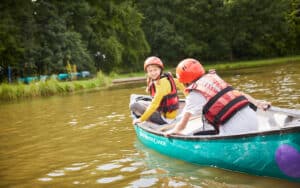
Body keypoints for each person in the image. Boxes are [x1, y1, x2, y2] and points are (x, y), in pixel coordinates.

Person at [164, 58, 270, 136]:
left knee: (197, 135)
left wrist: (173, 132)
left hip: (237, 131)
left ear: (184, 80)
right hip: (254, 121)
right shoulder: (214, 79)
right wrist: (258, 103)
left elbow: (182, 125)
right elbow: (238, 93)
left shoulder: (194, 94)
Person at [130, 56, 185, 125]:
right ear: (147, 72)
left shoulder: (161, 84)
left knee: (134, 106)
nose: (153, 73)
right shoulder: (167, 78)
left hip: (165, 119)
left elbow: (154, 105)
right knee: (140, 102)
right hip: (164, 112)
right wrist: (189, 98)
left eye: (155, 70)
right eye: (150, 71)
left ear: (160, 69)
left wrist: (141, 119)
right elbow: (181, 85)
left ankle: (143, 119)